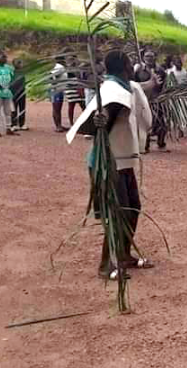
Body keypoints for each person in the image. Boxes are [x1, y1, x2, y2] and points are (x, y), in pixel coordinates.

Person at [66, 50, 154, 278]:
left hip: (122, 161)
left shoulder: (127, 87)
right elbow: (101, 115)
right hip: (108, 163)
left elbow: (144, 91)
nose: (133, 64)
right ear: (124, 66)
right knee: (117, 212)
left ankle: (123, 255)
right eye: (129, 62)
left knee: (132, 208)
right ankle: (108, 265)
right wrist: (100, 120)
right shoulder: (111, 91)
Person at [50, 56, 67, 132]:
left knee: (58, 108)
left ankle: (59, 124)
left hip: (59, 90)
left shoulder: (60, 67)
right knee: (56, 108)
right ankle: (57, 126)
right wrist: (54, 85)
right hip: (56, 90)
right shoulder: (59, 67)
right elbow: (51, 75)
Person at [10, 58, 27, 131]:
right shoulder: (11, 72)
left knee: (22, 108)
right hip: (13, 92)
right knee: (14, 109)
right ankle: (13, 124)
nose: (20, 64)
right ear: (14, 64)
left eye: (20, 63)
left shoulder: (22, 72)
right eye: (18, 63)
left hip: (22, 91)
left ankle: (22, 124)